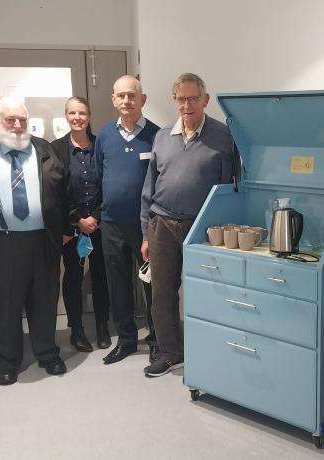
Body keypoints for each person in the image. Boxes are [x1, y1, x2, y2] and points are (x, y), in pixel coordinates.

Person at [0, 96, 71, 385]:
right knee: (6, 305)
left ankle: (48, 354)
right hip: (3, 243)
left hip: (43, 240)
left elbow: (63, 189)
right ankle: (7, 361)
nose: (17, 125)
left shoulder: (43, 149)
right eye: (10, 119)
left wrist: (64, 226)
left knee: (45, 301)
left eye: (22, 119)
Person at [140, 73, 238, 377]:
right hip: (162, 224)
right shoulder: (162, 136)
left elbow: (232, 188)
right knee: (162, 291)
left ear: (205, 100)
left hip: (203, 228)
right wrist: (145, 232)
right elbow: (149, 186)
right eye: (181, 98)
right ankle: (170, 353)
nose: (187, 104)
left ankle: (208, 347)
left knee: (207, 291)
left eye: (193, 98)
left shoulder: (224, 137)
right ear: (174, 101)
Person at [95, 76, 159, 365]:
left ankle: (158, 339)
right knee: (117, 283)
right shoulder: (105, 135)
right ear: (113, 99)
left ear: (142, 99)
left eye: (132, 96)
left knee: (153, 284)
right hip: (111, 223)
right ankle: (127, 340)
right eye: (120, 96)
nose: (126, 101)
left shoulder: (158, 136)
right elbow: (99, 174)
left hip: (146, 226)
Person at [51, 97, 111, 351]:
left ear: (89, 115)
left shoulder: (101, 145)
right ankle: (76, 329)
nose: (77, 117)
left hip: (101, 224)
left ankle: (102, 326)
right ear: (66, 116)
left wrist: (95, 216)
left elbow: (109, 183)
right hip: (72, 229)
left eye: (82, 113)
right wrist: (77, 221)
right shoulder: (55, 149)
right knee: (73, 277)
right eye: (72, 113)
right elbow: (55, 190)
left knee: (101, 277)